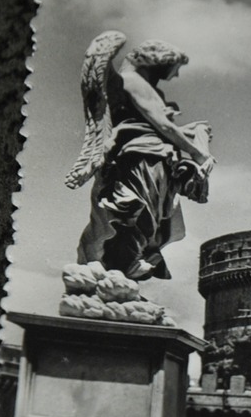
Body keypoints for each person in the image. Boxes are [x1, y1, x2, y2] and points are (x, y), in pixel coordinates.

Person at [67, 33, 214, 282]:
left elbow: (159, 128)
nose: (175, 75)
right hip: (141, 158)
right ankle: (125, 263)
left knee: (154, 217)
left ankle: (126, 267)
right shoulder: (132, 81)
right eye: (174, 68)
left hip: (158, 159)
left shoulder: (149, 88)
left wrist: (193, 132)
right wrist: (197, 153)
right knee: (137, 211)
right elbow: (164, 127)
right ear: (159, 61)